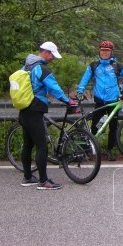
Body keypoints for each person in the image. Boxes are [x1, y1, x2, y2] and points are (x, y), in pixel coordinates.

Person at [19, 41, 77, 190]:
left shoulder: (26, 66)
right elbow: (54, 88)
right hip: (35, 110)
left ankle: (27, 177)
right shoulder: (41, 68)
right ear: (46, 52)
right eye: (52, 55)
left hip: (24, 109)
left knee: (28, 144)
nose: (53, 59)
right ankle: (43, 181)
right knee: (41, 146)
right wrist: (67, 100)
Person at [76, 40, 123, 161]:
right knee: (94, 126)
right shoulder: (93, 65)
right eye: (102, 50)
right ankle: (91, 149)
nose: (104, 53)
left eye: (107, 51)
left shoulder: (116, 65)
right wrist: (80, 90)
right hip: (99, 100)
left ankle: (109, 150)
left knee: (113, 127)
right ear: (99, 51)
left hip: (113, 100)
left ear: (111, 52)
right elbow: (85, 79)